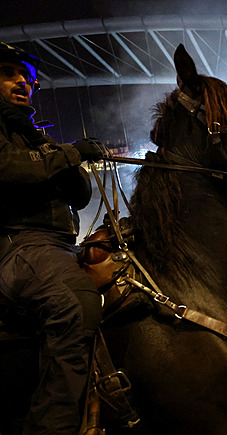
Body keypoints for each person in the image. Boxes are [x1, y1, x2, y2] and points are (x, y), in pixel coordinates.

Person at [0, 42, 106, 433]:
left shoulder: (31, 135)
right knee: (73, 300)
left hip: (58, 245)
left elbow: (79, 194)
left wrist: (62, 156)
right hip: (17, 245)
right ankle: (52, 425)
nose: (21, 82)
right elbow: (11, 170)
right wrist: (71, 154)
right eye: (9, 72)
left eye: (26, 77)